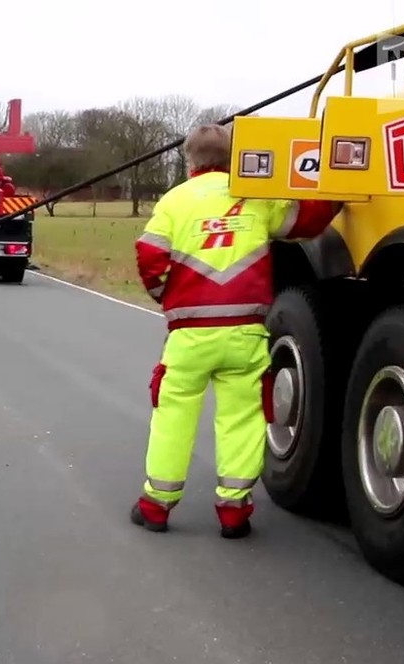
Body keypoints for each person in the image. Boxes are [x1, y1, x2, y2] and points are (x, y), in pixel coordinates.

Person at [130, 123, 344, 538]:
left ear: (189, 160)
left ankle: (156, 506)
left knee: (173, 417)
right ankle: (234, 513)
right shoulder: (259, 196)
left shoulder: (174, 201)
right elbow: (307, 220)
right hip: (246, 334)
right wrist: (337, 189)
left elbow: (150, 255)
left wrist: (167, 298)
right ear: (233, 159)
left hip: (189, 336)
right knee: (242, 419)